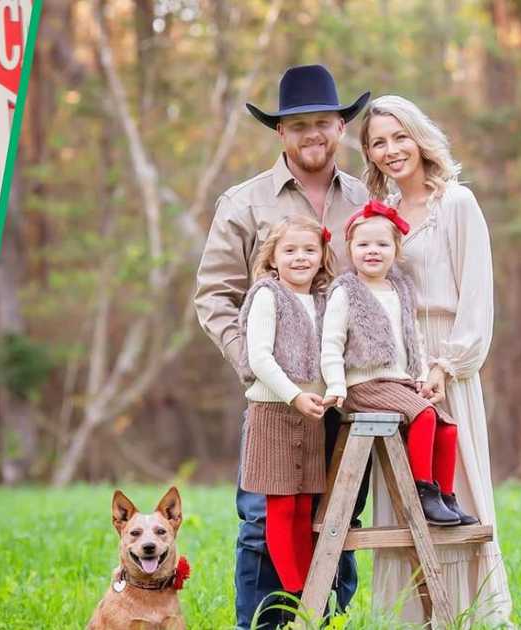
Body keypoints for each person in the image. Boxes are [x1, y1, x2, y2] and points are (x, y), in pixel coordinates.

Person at [194, 64, 370, 629]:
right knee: (263, 522)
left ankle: (328, 619)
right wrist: (255, 362)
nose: (312, 134)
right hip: (276, 399)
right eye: (299, 126)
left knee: (339, 515)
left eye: (323, 122)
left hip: (350, 397)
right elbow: (214, 295)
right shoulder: (244, 203)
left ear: (340, 126)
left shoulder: (365, 199)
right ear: (280, 133)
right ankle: (264, 624)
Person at [358, 95, 512, 623]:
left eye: (399, 136)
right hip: (395, 364)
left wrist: (448, 365)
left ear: (420, 137)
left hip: (448, 360)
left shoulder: (458, 204)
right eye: (378, 142)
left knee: (456, 483)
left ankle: (470, 613)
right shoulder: (379, 216)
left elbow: (477, 295)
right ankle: (410, 616)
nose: (391, 150)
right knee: (400, 495)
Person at [321, 201, 478, 527]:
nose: (372, 251)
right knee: (423, 415)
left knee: (446, 426)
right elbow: (331, 343)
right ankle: (422, 492)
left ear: (396, 249)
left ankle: (445, 496)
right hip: (362, 385)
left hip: (399, 384)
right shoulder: (345, 291)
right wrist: (336, 384)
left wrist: (420, 377)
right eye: (363, 245)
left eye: (382, 244)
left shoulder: (400, 289)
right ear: (350, 249)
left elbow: (414, 339)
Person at [237, 215, 336, 599]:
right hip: (275, 413)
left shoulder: (324, 300)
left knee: (305, 506)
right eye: (290, 250)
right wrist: (294, 395)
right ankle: (297, 593)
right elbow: (260, 357)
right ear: (273, 258)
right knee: (281, 507)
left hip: (312, 415)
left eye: (310, 250)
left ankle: (312, 587)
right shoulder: (267, 295)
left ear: (322, 255)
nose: (300, 258)